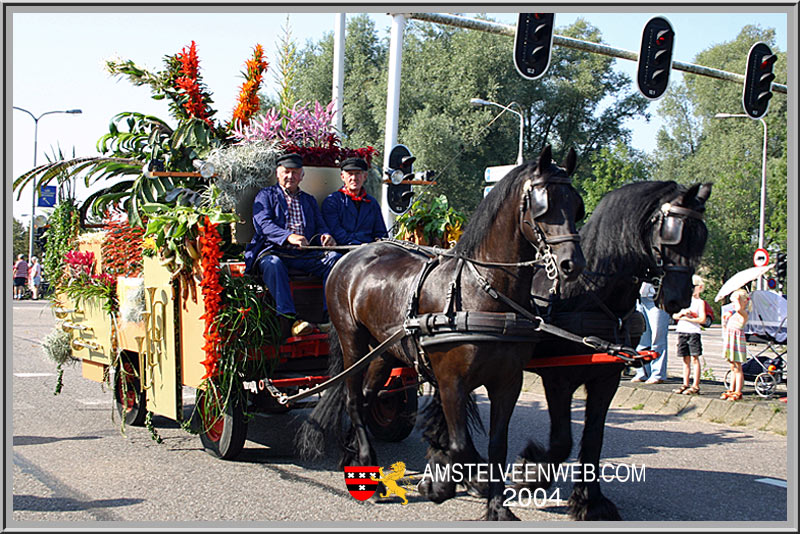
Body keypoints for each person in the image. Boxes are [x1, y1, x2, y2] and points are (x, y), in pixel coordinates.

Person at [244, 153, 341, 339]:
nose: (291, 176)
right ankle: (288, 319)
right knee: (273, 264)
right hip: (274, 251)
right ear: (277, 174)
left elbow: (320, 225)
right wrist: (288, 236)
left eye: (295, 172)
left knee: (334, 260)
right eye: (286, 172)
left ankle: (329, 317)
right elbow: (263, 224)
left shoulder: (309, 200)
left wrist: (326, 236)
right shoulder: (265, 196)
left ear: (302, 175)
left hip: (304, 255)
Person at [321, 157, 388, 245]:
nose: (354, 178)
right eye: (350, 174)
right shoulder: (332, 202)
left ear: (365, 176)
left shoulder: (372, 203)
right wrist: (358, 245)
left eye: (358, 173)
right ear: (342, 176)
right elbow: (336, 232)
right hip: (344, 250)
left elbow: (381, 233)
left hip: (370, 250)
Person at [671, 275, 706, 395]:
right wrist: (682, 314)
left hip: (693, 332)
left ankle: (695, 385)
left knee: (695, 358)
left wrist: (689, 318)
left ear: (699, 287)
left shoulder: (700, 302)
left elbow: (702, 319)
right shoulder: (682, 301)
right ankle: (685, 383)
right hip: (682, 331)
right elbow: (674, 315)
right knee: (685, 359)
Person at [631, 281, 670, 384]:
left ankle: (658, 373)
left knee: (657, 337)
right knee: (642, 337)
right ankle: (642, 371)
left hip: (657, 298)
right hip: (640, 298)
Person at [721, 288, 750, 401]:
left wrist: (738, 299)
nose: (733, 305)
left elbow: (738, 308)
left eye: (735, 302)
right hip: (730, 341)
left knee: (738, 367)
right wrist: (724, 321)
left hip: (737, 343)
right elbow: (726, 328)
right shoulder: (733, 315)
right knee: (732, 366)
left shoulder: (743, 314)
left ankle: (738, 391)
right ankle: (731, 389)